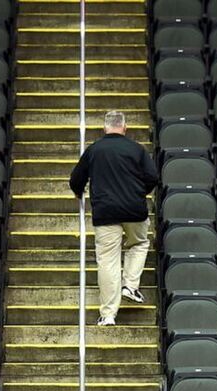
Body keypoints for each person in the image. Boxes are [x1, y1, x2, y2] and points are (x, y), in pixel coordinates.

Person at [69, 110, 158, 326]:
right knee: (139, 243)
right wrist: (138, 192)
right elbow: (153, 177)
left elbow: (75, 179)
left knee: (108, 261)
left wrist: (79, 191)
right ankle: (130, 285)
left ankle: (108, 315)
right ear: (124, 128)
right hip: (134, 208)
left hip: (105, 211)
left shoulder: (94, 150)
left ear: (105, 128)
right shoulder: (136, 149)